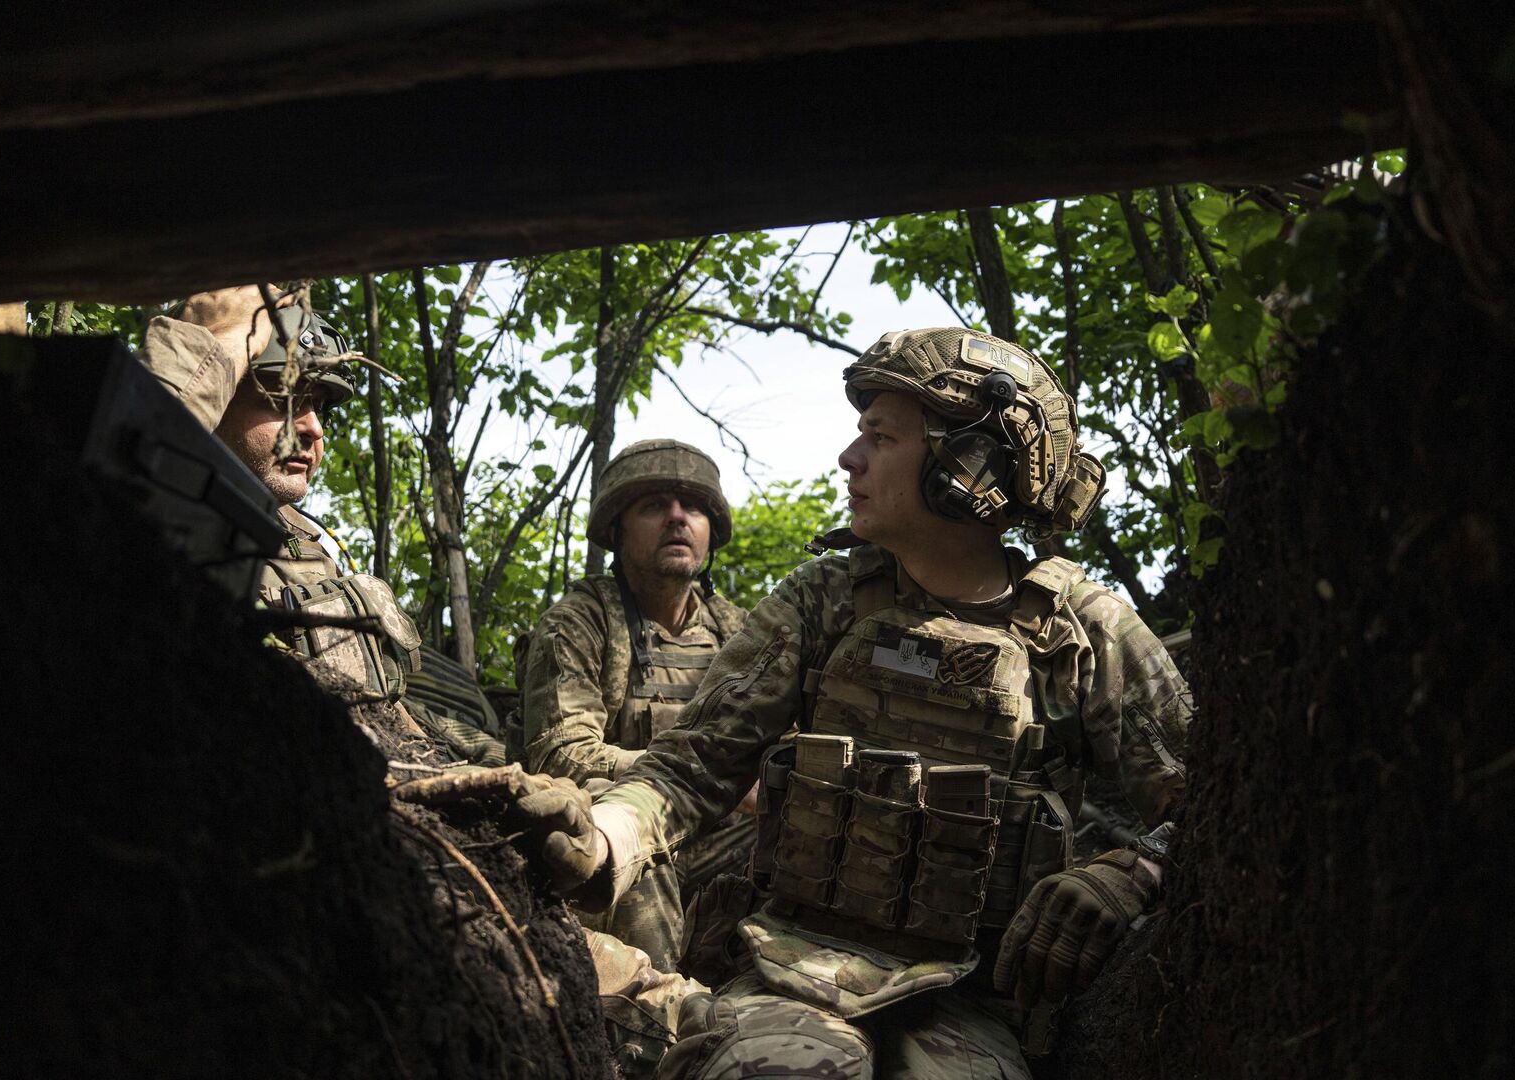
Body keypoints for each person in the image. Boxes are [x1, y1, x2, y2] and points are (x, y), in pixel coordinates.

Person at [506, 327, 1193, 1078]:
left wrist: (1132, 871)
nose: (849, 458)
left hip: (976, 1002)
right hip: (793, 977)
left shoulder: (1084, 633)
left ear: (967, 466)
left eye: (880, 437)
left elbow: (1206, 805)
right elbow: (689, 771)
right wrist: (602, 837)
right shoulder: (823, 601)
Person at [137, 286, 504, 760]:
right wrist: (211, 343)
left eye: (321, 406)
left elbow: (385, 715)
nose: (313, 427)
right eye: (285, 397)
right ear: (218, 389)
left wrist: (473, 766)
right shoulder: (149, 523)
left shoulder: (302, 541)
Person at [516, 439, 754, 972]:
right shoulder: (579, 622)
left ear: (712, 528)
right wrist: (697, 780)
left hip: (714, 836)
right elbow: (563, 756)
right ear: (617, 531)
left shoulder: (738, 632)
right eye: (654, 507)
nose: (677, 519)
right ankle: (645, 1034)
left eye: (692, 507)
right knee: (624, 836)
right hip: (620, 832)